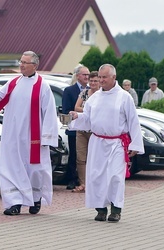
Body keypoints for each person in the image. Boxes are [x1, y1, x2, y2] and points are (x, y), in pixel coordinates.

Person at [0, 51, 58, 215]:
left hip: (32, 137)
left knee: (34, 170)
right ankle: (14, 203)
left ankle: (35, 197)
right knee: (11, 168)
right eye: (21, 61)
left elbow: (49, 113)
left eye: (25, 62)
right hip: (12, 135)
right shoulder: (13, 83)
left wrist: (47, 138)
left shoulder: (42, 86)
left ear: (35, 65)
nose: (21, 65)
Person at [68, 64, 144, 222]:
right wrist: (77, 117)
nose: (101, 80)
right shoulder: (94, 98)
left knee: (115, 176)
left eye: (104, 77)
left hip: (116, 143)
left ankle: (116, 209)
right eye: (100, 77)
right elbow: (88, 120)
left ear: (114, 78)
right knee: (97, 176)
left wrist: (135, 145)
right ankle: (100, 209)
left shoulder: (124, 97)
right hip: (97, 142)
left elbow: (133, 122)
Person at [62, 64, 90, 190]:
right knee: (74, 155)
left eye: (88, 75)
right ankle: (73, 179)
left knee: (87, 156)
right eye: (84, 74)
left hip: (89, 129)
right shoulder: (69, 91)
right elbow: (66, 109)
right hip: (75, 129)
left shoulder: (92, 90)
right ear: (78, 76)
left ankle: (85, 179)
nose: (87, 77)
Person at [71, 71, 100, 193]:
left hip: (95, 131)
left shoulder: (101, 94)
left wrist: (86, 110)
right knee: (81, 158)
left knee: (94, 158)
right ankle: (83, 183)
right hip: (82, 130)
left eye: (95, 81)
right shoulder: (84, 93)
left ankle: (94, 183)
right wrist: (88, 110)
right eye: (91, 81)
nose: (93, 83)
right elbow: (76, 107)